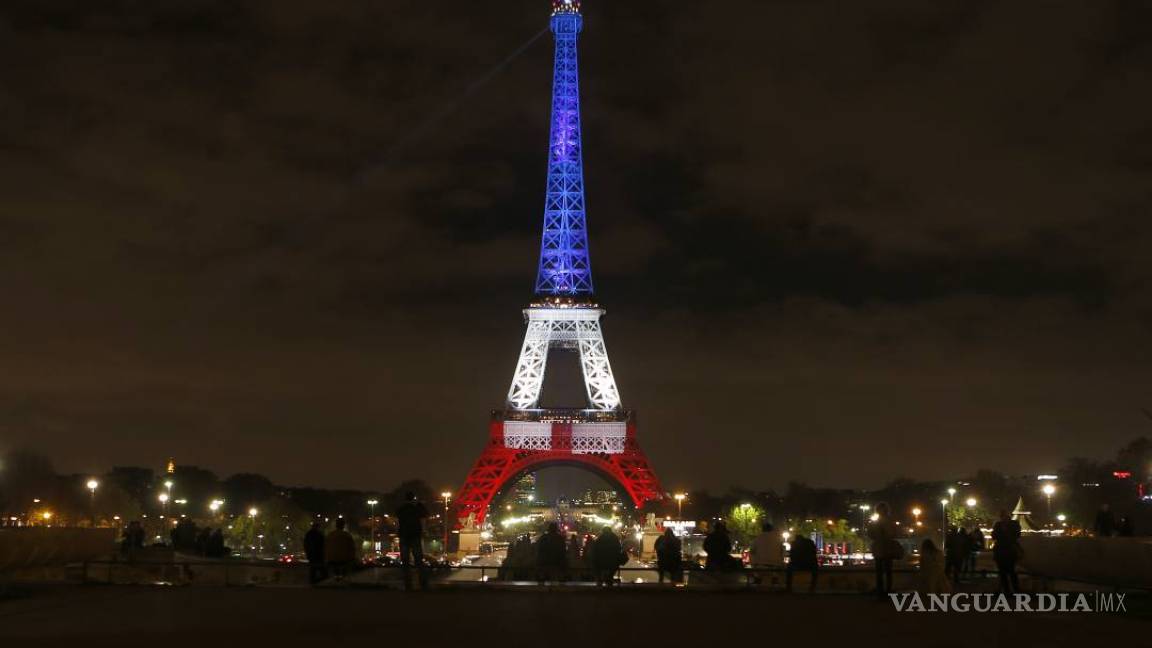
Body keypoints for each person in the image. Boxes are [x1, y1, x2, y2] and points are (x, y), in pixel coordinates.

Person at [395, 491, 429, 590]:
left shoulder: (400, 509)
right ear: (413, 498)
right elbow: (423, 520)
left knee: (405, 561)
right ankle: (423, 583)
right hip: (415, 536)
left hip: (404, 536)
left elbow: (397, 523)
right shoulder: (417, 508)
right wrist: (424, 531)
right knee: (419, 560)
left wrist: (398, 533)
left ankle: (407, 583)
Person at [867, 502, 900, 599]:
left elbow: (871, 535)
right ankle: (888, 591)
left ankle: (880, 592)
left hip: (879, 549)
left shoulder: (875, 522)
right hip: (888, 549)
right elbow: (894, 534)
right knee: (888, 572)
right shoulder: (890, 521)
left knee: (879, 572)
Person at [991, 509, 1021, 594]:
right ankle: (1007, 590)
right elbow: (994, 535)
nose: (1002, 517)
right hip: (1001, 551)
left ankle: (1015, 590)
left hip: (1009, 550)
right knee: (1003, 573)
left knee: (1011, 572)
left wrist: (1005, 532)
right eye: (1001, 516)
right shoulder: (998, 524)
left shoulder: (1014, 524)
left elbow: (1017, 535)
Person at [748, 522, 783, 587]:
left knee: (752, 553)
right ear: (772, 530)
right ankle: (775, 579)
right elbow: (782, 552)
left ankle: (757, 578)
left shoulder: (757, 538)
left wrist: (753, 563)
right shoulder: (778, 539)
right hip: (775, 565)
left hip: (759, 564)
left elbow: (752, 551)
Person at [324, 518, 357, 582]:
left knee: (335, 569)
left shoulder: (330, 535)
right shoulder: (347, 535)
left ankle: (336, 578)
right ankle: (343, 578)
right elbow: (352, 548)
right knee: (345, 568)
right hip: (344, 559)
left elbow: (326, 547)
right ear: (343, 525)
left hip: (332, 558)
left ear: (336, 525)